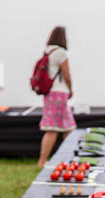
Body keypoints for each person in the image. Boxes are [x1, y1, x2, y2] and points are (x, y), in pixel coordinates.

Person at [37, 26, 76, 167]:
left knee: (68, 127)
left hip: (50, 94)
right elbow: (67, 75)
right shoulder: (60, 53)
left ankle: (68, 159)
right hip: (59, 93)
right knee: (52, 128)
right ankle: (42, 161)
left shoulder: (47, 51)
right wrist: (71, 89)